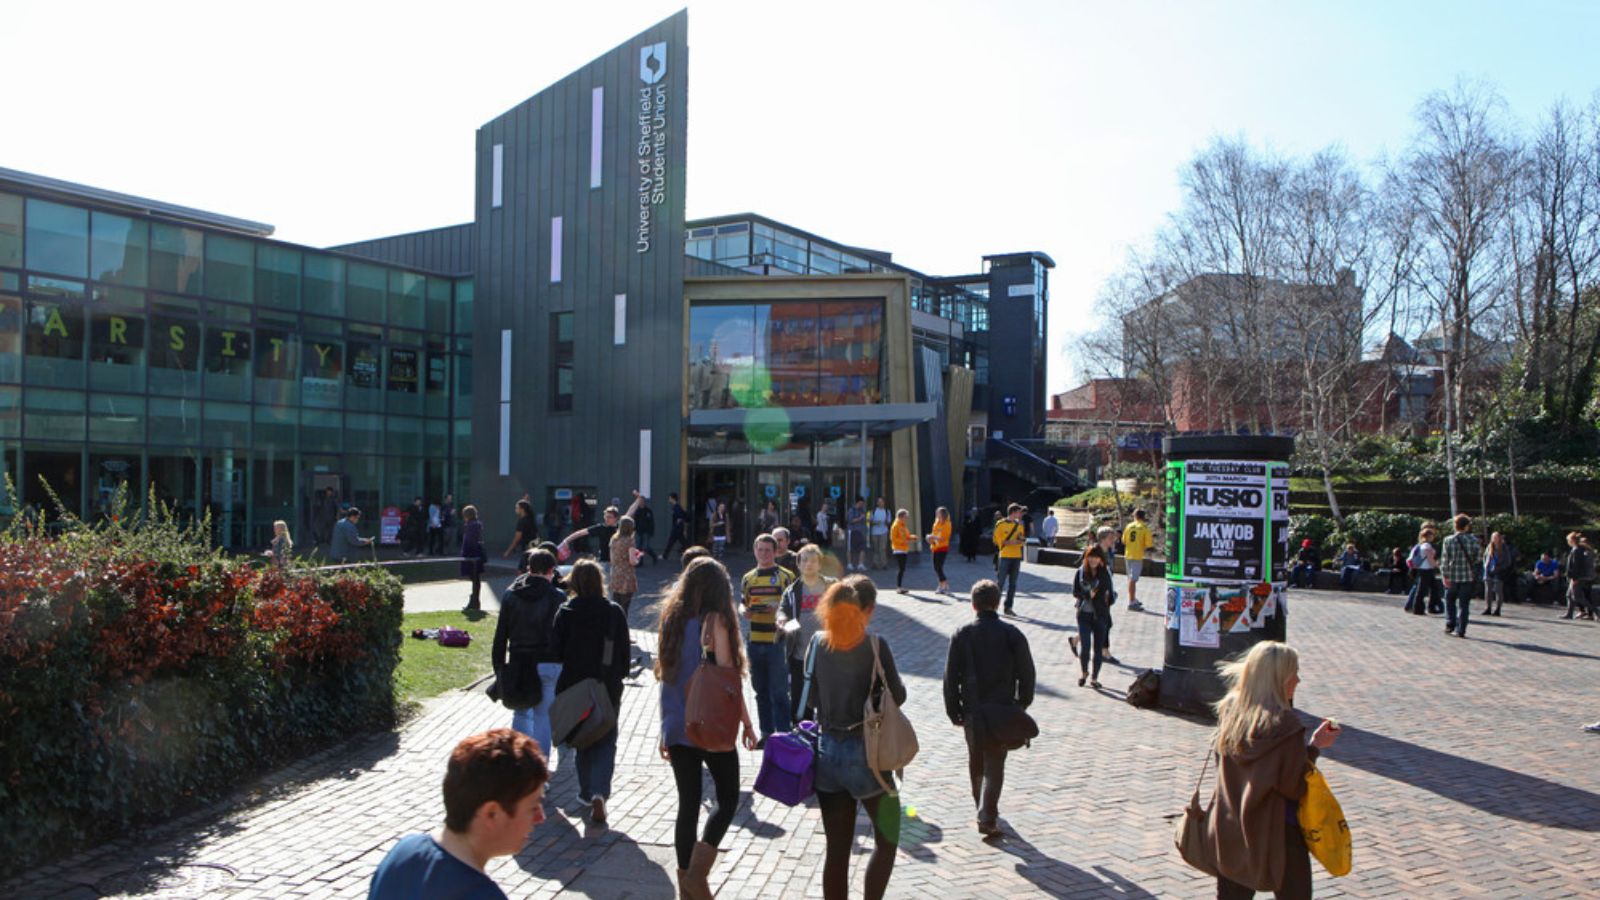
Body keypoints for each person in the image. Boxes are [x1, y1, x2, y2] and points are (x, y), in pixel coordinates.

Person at [656, 556, 758, 899]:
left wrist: (663, 728)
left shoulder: (671, 618)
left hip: (677, 721)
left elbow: (666, 675)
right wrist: (745, 721)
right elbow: (727, 678)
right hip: (710, 722)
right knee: (727, 798)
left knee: (688, 803)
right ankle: (697, 876)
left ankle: (686, 885)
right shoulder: (716, 621)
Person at [1207, 642, 1341, 900]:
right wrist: (1314, 747)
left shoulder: (1231, 713)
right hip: (1278, 830)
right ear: (1279, 678)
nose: (1298, 680)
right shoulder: (1285, 724)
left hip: (1232, 824)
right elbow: (1294, 785)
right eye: (1294, 673)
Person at [367, 729, 549, 900]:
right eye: (532, 808)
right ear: (492, 814)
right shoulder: (479, 895)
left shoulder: (403, 852)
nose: (541, 818)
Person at [809, 575, 905, 900]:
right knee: (888, 837)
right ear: (868, 609)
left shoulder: (817, 644)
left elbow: (807, 699)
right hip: (866, 753)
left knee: (836, 849)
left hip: (827, 751)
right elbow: (899, 696)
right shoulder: (874, 645)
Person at [942, 579, 1035, 837]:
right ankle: (988, 812)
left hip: (973, 709)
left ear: (973, 605)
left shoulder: (962, 634)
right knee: (996, 760)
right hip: (1002, 708)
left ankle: (982, 807)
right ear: (997, 602)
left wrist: (954, 710)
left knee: (976, 759)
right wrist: (1022, 703)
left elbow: (951, 677)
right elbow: (1027, 673)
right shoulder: (1012, 634)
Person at [550, 560, 630, 823]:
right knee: (606, 737)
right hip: (606, 684)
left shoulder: (565, 612)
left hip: (574, 683)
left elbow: (556, 651)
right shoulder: (613, 611)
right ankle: (599, 792)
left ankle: (585, 791)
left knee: (581, 738)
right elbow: (623, 653)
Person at [492, 548, 565, 761]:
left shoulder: (510, 595)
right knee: (544, 717)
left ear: (528, 569)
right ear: (551, 571)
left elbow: (500, 635)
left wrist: (498, 667)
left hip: (518, 659)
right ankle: (540, 768)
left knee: (521, 712)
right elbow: (561, 635)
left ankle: (521, 764)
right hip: (548, 661)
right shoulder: (557, 597)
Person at [741, 534, 797, 744]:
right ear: (755, 551)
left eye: (768, 550)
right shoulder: (748, 577)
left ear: (775, 552)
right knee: (760, 691)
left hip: (777, 642)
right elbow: (742, 602)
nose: (763, 554)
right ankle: (766, 732)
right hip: (754, 640)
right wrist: (744, 610)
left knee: (780, 692)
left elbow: (794, 607)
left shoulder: (786, 576)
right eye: (760, 549)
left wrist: (780, 610)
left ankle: (784, 734)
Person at [781, 543, 835, 722]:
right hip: (800, 655)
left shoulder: (831, 586)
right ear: (798, 564)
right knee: (800, 702)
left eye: (813, 561)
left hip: (828, 654)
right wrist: (782, 620)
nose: (808, 564)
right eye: (804, 560)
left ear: (820, 564)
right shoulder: (792, 591)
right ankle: (803, 741)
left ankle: (826, 739)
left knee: (828, 701)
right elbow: (783, 611)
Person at [1072, 546, 1114, 688]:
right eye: (1090, 557)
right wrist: (1086, 595)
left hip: (1100, 615)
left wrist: (1107, 598)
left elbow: (1111, 594)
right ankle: (1084, 672)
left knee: (1098, 648)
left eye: (1096, 557)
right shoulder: (1081, 572)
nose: (1093, 560)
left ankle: (1094, 678)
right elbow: (1075, 592)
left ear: (1101, 559)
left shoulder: (1105, 573)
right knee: (1085, 646)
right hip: (1084, 614)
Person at [1439, 514, 1482, 638]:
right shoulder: (1473, 540)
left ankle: (1450, 623)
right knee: (1464, 605)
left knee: (1449, 600)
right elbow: (1478, 558)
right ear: (1467, 526)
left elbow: (1444, 560)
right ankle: (1461, 629)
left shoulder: (1448, 540)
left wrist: (1444, 576)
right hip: (1467, 576)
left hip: (1452, 576)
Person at [993, 504, 1027, 615]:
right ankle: (993, 606)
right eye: (1018, 512)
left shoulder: (1020, 525)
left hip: (1016, 557)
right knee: (1000, 583)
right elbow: (997, 540)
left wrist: (1021, 540)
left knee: (1013, 584)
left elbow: (1021, 540)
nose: (1020, 514)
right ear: (1013, 512)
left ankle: (1008, 607)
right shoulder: (1001, 524)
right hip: (1005, 556)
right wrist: (1011, 542)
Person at [1121, 508, 1154, 611]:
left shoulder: (1129, 526)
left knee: (1130, 579)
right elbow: (1149, 544)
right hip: (1137, 556)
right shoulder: (1144, 528)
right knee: (1133, 579)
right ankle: (1131, 602)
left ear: (1134, 516)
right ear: (1143, 517)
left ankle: (1133, 598)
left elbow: (1123, 541)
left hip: (1128, 555)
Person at [460, 505, 488, 611]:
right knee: (476, 579)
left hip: (472, 555)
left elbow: (470, 542)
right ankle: (474, 600)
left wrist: (466, 554)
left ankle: (474, 601)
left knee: (475, 579)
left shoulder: (471, 526)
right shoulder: (476, 525)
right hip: (476, 554)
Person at [1405, 528, 1439, 615]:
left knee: (1430, 589)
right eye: (1432, 535)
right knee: (1423, 590)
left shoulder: (1420, 545)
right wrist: (1436, 565)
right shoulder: (1427, 545)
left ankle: (1429, 607)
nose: (1433, 537)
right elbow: (1430, 558)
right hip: (1427, 569)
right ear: (1428, 536)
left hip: (1422, 569)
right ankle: (1419, 608)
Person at [1564, 532, 1596, 620]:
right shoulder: (1577, 549)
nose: (1568, 541)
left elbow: (1576, 565)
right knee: (1569, 595)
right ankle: (1569, 614)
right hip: (1575, 577)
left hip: (1577, 577)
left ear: (1572, 540)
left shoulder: (1577, 550)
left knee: (1577, 597)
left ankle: (1596, 612)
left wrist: (1575, 578)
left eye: (1568, 540)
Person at [1482, 531, 1512, 616]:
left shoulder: (1504, 548)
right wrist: (1485, 566)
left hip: (1499, 571)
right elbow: (1485, 557)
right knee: (1488, 590)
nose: (1495, 539)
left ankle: (1498, 609)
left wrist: (1501, 568)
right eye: (1493, 537)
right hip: (1488, 570)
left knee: (1498, 591)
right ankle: (1488, 608)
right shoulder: (1489, 546)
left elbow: (1508, 561)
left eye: (1496, 537)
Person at [502, 497, 538, 567]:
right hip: (534, 546)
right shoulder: (531, 519)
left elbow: (517, 538)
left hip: (527, 548)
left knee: (523, 568)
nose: (515, 510)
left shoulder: (522, 521)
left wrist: (508, 551)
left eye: (517, 508)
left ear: (522, 509)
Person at [925, 506, 952, 595]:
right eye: (937, 514)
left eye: (939, 514)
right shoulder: (936, 523)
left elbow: (944, 537)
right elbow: (934, 533)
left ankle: (944, 585)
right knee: (936, 567)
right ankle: (942, 585)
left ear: (943, 515)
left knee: (938, 567)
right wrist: (930, 538)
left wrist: (933, 537)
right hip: (935, 547)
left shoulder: (947, 524)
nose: (937, 516)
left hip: (943, 547)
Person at [889, 508, 914, 594]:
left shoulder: (903, 525)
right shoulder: (895, 525)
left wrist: (912, 537)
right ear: (901, 517)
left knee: (902, 569)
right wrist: (904, 541)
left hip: (904, 549)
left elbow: (906, 536)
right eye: (905, 517)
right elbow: (893, 539)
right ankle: (898, 587)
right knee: (901, 569)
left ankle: (900, 587)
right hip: (898, 549)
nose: (906, 519)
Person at [664, 492, 692, 560]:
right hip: (678, 528)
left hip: (677, 528)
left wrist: (680, 519)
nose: (669, 499)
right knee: (683, 542)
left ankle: (665, 556)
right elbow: (683, 514)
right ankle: (692, 552)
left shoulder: (677, 507)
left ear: (673, 498)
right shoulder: (676, 506)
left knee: (671, 541)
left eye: (670, 498)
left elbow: (681, 514)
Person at [632, 493, 659, 565]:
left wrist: (651, 532)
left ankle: (654, 556)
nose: (641, 502)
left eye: (642, 501)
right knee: (638, 547)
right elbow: (634, 521)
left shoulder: (648, 511)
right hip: (638, 531)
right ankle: (640, 562)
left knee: (646, 547)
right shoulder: (637, 511)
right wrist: (634, 529)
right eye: (640, 501)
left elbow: (651, 522)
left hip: (646, 532)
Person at [848, 497, 870, 572]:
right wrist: (860, 518)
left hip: (862, 531)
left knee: (863, 548)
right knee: (851, 548)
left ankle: (860, 564)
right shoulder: (852, 510)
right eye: (861, 503)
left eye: (863, 504)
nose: (862, 505)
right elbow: (850, 520)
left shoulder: (862, 510)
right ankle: (850, 564)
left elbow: (864, 520)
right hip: (853, 530)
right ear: (858, 502)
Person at [869, 497, 891, 569]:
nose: (880, 503)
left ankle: (884, 564)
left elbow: (889, 521)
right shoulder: (874, 511)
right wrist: (875, 522)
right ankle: (875, 563)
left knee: (882, 548)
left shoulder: (887, 511)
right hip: (875, 531)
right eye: (879, 502)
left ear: (884, 503)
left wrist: (886, 522)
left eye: (881, 501)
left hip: (883, 531)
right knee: (876, 548)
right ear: (877, 503)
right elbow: (870, 521)